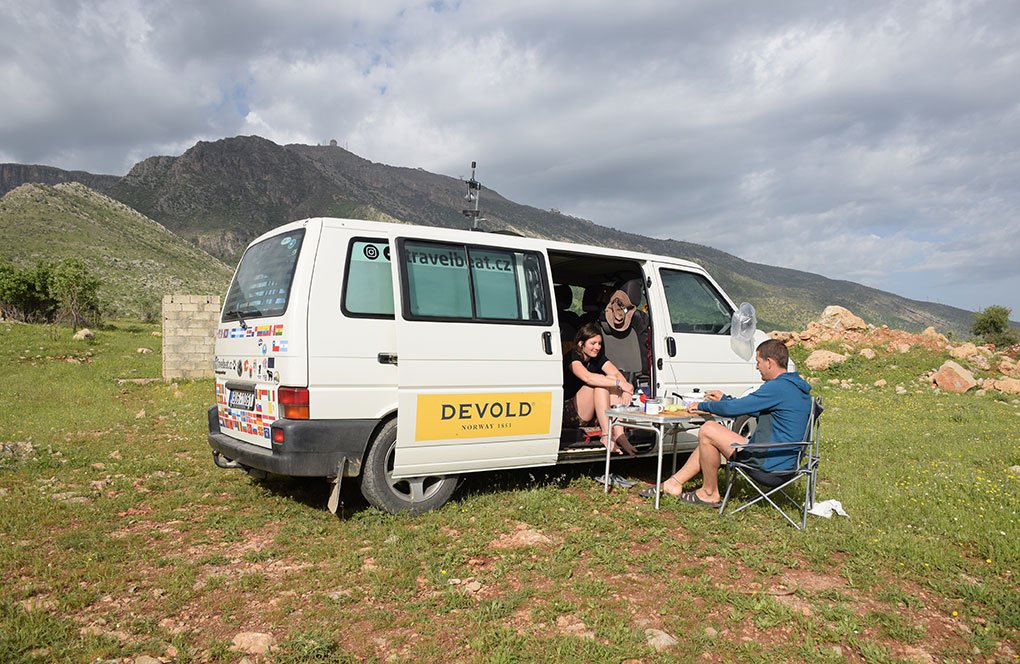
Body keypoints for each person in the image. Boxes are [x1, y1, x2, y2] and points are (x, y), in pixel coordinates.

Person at [645, 338, 811, 506]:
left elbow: (735, 409)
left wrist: (703, 405)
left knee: (709, 429)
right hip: (785, 461)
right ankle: (673, 484)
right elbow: (753, 407)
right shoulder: (795, 388)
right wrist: (725, 399)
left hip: (770, 465)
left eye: (758, 362)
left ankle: (709, 493)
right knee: (709, 438)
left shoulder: (777, 387)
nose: (756, 367)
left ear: (769, 362)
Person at [564, 323, 638, 455]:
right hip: (570, 412)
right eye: (593, 343)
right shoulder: (573, 357)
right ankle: (606, 434)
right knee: (601, 381)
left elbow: (616, 374)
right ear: (581, 344)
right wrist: (619, 383)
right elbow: (588, 378)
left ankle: (619, 435)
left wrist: (626, 388)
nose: (597, 347)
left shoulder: (597, 357)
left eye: (599, 343)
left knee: (611, 383)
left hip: (590, 411)